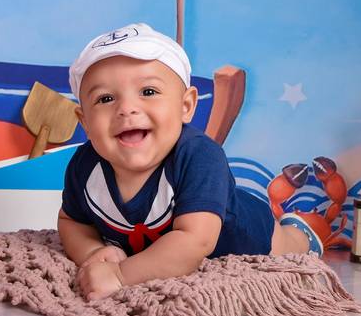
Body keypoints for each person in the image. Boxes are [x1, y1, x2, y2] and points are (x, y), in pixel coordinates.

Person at [58, 23, 322, 300]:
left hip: (246, 234)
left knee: (287, 246)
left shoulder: (200, 155)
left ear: (186, 106)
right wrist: (93, 252)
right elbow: (71, 221)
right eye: (106, 98)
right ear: (85, 122)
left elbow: (195, 241)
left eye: (148, 92)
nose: (126, 109)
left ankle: (300, 232)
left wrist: (121, 275)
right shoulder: (86, 165)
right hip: (156, 241)